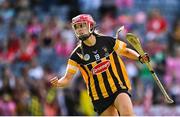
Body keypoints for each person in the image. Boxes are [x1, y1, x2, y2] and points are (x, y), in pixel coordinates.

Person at [50, 14, 150, 116]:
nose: (79, 29)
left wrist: (139, 57)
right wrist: (59, 82)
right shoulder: (76, 55)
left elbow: (126, 51)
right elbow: (67, 77)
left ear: (91, 26)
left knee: (128, 115)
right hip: (99, 96)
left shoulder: (107, 41)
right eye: (76, 27)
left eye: (82, 26)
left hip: (118, 87)